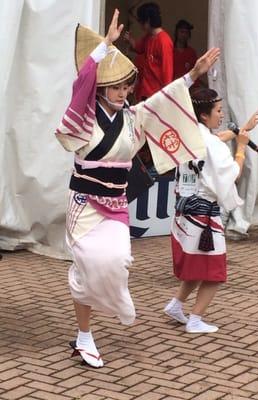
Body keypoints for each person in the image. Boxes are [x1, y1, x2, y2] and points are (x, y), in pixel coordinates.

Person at [55, 9, 220, 367]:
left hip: (115, 204)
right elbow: (80, 84)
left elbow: (164, 100)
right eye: (118, 86)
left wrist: (193, 74)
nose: (125, 92)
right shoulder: (85, 116)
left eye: (128, 86)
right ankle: (84, 335)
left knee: (116, 261)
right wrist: (105, 47)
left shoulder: (133, 116)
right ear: (101, 88)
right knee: (86, 265)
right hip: (84, 203)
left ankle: (114, 298)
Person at [164, 87, 258, 333]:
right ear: (205, 116)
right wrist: (241, 148)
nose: (221, 115)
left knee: (199, 265)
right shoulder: (211, 144)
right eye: (218, 111)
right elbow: (233, 174)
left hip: (186, 211)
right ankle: (195, 319)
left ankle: (176, 305)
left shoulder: (189, 133)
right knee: (215, 271)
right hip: (203, 215)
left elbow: (214, 140)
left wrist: (242, 130)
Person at [124, 2, 173, 101]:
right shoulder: (148, 37)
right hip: (145, 92)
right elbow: (138, 48)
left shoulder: (164, 41)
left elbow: (167, 72)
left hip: (157, 95)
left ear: (148, 21)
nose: (140, 25)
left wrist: (166, 97)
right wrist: (130, 39)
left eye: (141, 21)